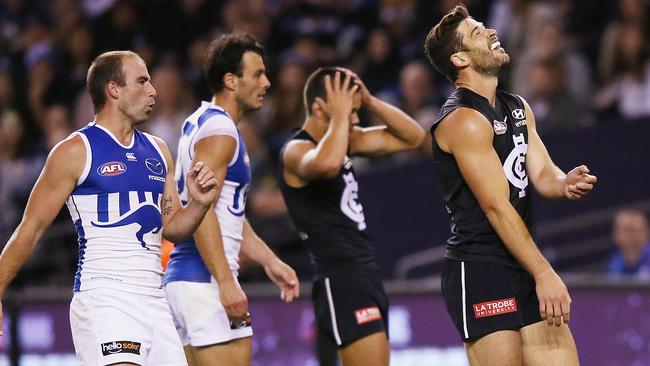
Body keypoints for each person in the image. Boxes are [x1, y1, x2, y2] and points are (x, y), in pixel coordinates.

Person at [0, 50, 219, 365]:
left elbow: (173, 229)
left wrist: (198, 204)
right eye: (142, 81)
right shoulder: (75, 151)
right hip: (105, 298)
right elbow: (31, 228)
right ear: (114, 90)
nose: (153, 90)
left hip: (155, 301)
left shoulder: (159, 151)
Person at [423, 5, 597, 365]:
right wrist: (544, 273)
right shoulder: (464, 120)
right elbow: (496, 207)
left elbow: (542, 172)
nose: (489, 32)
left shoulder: (517, 106)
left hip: (521, 259)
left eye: (484, 26)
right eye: (476, 33)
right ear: (459, 59)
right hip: (480, 268)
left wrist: (564, 182)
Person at [163, 33, 300, 366]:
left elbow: (227, 211)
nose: (266, 82)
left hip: (188, 281)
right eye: (257, 74)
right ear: (230, 80)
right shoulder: (222, 134)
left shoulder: (201, 122)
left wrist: (269, 260)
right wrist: (225, 281)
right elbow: (203, 209)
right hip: (205, 280)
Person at [279, 67, 426, 366]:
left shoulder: (344, 141)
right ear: (320, 108)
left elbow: (413, 136)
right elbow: (329, 164)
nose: (356, 119)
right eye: (351, 112)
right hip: (340, 278)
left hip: (366, 273)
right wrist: (343, 116)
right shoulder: (295, 150)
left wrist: (370, 102)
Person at [607, 209, 650, 278]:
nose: (635, 235)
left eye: (640, 230)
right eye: (629, 230)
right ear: (616, 235)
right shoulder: (614, 264)